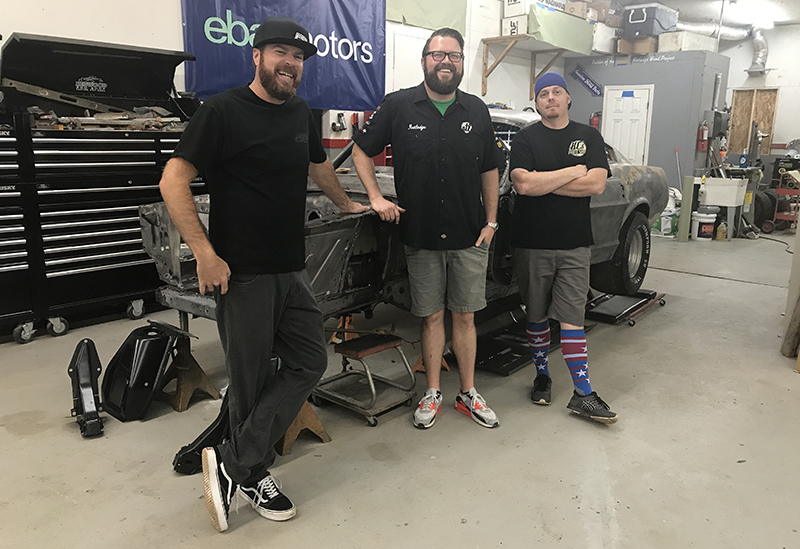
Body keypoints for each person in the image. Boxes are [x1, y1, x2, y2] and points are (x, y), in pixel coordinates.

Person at [159, 17, 368, 532]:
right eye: (280, 53)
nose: (290, 65)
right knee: (249, 385)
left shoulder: (299, 111)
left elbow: (316, 164)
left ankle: (232, 465)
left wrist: (347, 202)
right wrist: (204, 254)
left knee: (308, 359)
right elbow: (173, 180)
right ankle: (251, 472)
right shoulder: (222, 111)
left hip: (288, 268)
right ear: (256, 56)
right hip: (243, 274)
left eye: (298, 58)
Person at [351, 28, 502, 430]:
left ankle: (467, 393)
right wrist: (375, 198)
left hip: (470, 235)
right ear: (424, 61)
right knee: (432, 318)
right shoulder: (400, 105)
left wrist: (491, 220)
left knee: (465, 318)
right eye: (437, 55)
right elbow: (360, 150)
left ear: (462, 62)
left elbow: (490, 169)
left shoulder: (476, 110)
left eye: (453, 55)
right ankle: (432, 391)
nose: (445, 62)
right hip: (420, 235)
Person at [509, 72, 618, 424]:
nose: (550, 98)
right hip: (532, 244)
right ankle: (542, 374)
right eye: (543, 94)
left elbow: (597, 184)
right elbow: (523, 184)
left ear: (568, 98)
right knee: (536, 315)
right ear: (537, 102)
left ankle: (583, 393)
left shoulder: (588, 136)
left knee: (573, 319)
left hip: (575, 245)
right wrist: (573, 171)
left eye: (557, 92)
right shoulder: (526, 138)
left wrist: (545, 180)